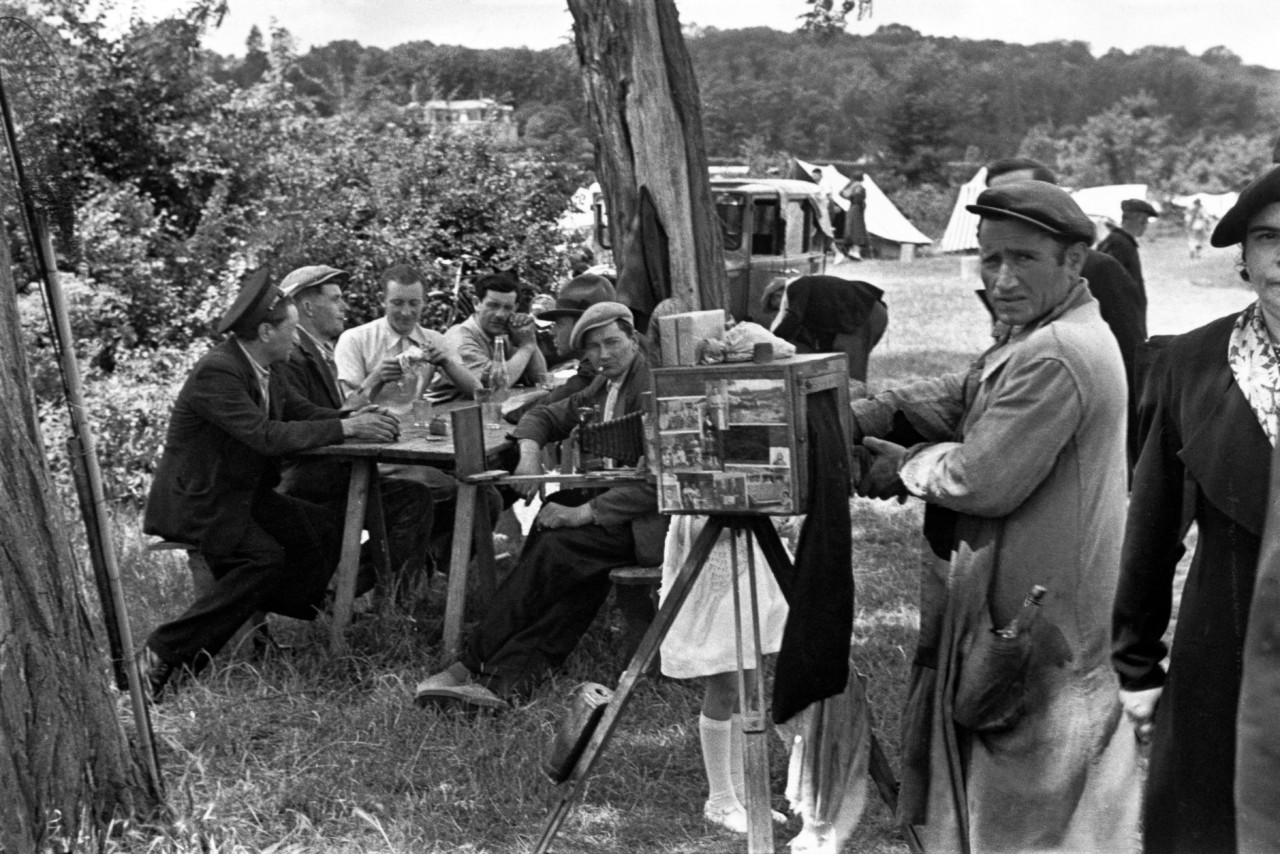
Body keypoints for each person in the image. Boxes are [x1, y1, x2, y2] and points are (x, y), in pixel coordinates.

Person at [853, 180, 1140, 852]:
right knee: (1018, 808)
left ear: (1074, 260)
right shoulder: (1042, 332)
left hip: (1045, 634)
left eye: (1024, 259)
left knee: (1035, 818)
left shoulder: (1057, 351)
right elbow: (969, 390)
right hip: (1032, 621)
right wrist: (874, 409)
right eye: (990, 259)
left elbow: (980, 480)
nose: (1002, 278)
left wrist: (904, 465)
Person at [1112, 165, 1280, 854]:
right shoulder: (1195, 363)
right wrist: (1136, 665)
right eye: (1269, 238)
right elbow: (1153, 528)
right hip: (1226, 643)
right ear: (1244, 258)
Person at [140, 269, 400, 699]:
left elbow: (302, 413)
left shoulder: (266, 366)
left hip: (239, 496)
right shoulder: (218, 372)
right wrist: (348, 430)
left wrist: (354, 417)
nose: (297, 339)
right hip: (199, 502)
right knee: (263, 560)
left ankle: (269, 613)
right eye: (291, 330)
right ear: (265, 331)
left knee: (323, 528)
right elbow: (265, 436)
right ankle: (161, 652)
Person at [413, 302, 668, 709]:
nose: (602, 355)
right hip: (621, 513)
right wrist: (529, 454)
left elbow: (663, 481)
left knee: (558, 548)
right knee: (566, 573)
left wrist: (583, 513)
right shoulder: (604, 386)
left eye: (612, 343)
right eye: (593, 347)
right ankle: (506, 681)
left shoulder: (653, 387)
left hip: (651, 525)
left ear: (634, 340)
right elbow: (543, 417)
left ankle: (473, 663)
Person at [273, 265, 435, 599]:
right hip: (306, 479)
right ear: (308, 307)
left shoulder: (318, 350)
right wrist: (352, 423)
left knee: (422, 495)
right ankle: (368, 602)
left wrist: (361, 414)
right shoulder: (292, 356)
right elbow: (297, 425)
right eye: (336, 299)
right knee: (415, 499)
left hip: (330, 471)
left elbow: (329, 412)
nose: (345, 307)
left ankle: (354, 597)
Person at [985, 157, 1148, 466]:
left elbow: (1132, 363)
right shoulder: (1000, 272)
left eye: (1022, 195)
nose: (1008, 209)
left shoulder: (1099, 270)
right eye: (997, 201)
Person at [659, 515, 789, 834]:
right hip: (713, 566)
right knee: (726, 681)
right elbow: (695, 525)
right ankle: (719, 799)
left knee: (748, 682)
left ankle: (741, 793)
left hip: (748, 563)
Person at [334, 264, 479, 408]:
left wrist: (447, 363)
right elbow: (348, 408)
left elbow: (477, 391)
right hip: (371, 421)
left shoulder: (434, 340)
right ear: (382, 300)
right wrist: (376, 377)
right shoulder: (354, 340)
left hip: (417, 420)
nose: (406, 312)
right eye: (397, 303)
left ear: (424, 302)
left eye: (414, 303)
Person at [440, 270, 548, 399]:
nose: (500, 314)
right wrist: (526, 347)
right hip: (447, 409)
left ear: (515, 308)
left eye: (507, 308)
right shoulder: (460, 337)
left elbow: (540, 379)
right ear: (476, 303)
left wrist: (528, 336)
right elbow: (493, 386)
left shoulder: (507, 334)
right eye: (493, 306)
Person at [1099, 198, 1159, 289]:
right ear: (1138, 219)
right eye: (1144, 221)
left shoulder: (1122, 241)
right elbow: (1110, 282)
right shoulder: (1120, 243)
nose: (1146, 226)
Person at [838, 172, 869, 261]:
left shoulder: (854, 187)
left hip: (854, 208)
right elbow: (855, 197)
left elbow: (842, 193)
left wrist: (848, 184)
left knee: (853, 229)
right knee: (857, 229)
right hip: (856, 209)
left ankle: (854, 251)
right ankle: (855, 252)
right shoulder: (859, 187)